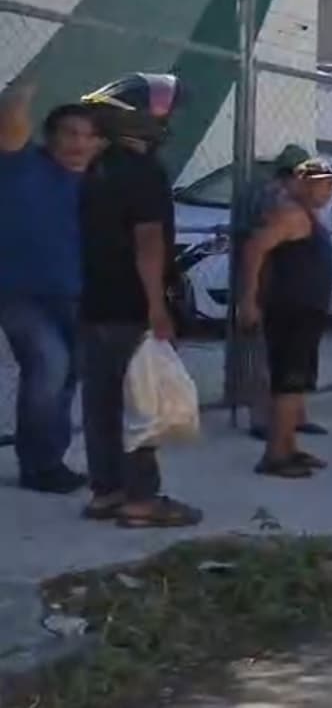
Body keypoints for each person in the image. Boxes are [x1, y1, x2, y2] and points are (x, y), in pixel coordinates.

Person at [75, 73, 198, 526]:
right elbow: (148, 242)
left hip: (93, 301)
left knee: (101, 402)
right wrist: (157, 306)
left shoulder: (97, 166)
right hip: (130, 304)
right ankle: (142, 500)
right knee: (141, 401)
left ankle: (106, 491)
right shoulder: (144, 171)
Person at [0, 80, 101, 494]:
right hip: (19, 292)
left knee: (67, 377)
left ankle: (49, 460)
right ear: (50, 137)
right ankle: (39, 465)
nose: (79, 143)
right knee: (49, 366)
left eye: (88, 136)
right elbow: (9, 124)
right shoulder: (25, 164)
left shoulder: (100, 182)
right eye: (69, 133)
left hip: (79, 294)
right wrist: (20, 95)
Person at [237, 158, 332, 478]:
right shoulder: (292, 214)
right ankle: (275, 456)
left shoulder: (308, 215)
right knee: (287, 382)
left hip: (306, 311)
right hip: (290, 310)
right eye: (322, 183)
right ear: (303, 182)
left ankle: (289, 446)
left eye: (330, 183)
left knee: (296, 384)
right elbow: (254, 248)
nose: (329, 190)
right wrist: (249, 299)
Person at [233, 145, 325, 442]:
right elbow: (260, 246)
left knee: (288, 361)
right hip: (273, 289)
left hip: (287, 291)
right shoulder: (278, 200)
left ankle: (292, 418)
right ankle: (265, 421)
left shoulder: (292, 200)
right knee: (267, 357)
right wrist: (251, 296)